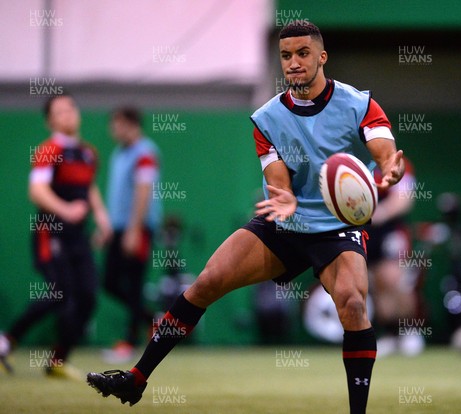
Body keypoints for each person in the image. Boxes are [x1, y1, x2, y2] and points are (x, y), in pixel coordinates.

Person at [87, 21, 404, 414]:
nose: (293, 63)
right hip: (286, 222)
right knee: (207, 281)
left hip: (338, 227)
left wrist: (389, 171)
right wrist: (285, 200)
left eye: (303, 53)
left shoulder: (358, 103)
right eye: (286, 55)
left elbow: (386, 155)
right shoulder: (267, 117)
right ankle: (136, 379)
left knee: (353, 304)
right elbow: (278, 183)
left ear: (322, 57)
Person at [0, 93, 112, 379]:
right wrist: (65, 209)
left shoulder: (88, 153)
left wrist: (101, 218)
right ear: (50, 120)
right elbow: (36, 190)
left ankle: (57, 361)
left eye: (71, 108)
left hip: (78, 238)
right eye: (59, 112)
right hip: (50, 233)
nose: (68, 114)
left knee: (87, 296)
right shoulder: (49, 150)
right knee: (58, 292)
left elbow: (88, 188)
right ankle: (6, 341)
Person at [101, 107, 161, 364]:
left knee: (135, 283)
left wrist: (134, 230)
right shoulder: (118, 153)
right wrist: (107, 228)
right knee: (109, 282)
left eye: (116, 124)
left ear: (130, 124)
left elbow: (143, 190)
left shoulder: (145, 152)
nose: (112, 130)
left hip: (138, 229)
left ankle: (129, 341)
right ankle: (152, 320)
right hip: (118, 228)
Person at [367, 161, 426, 357]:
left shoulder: (399, 165)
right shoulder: (352, 162)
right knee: (377, 284)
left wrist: (377, 214)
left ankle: (409, 330)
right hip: (366, 231)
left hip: (390, 230)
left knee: (395, 280)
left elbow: (404, 199)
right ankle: (391, 334)